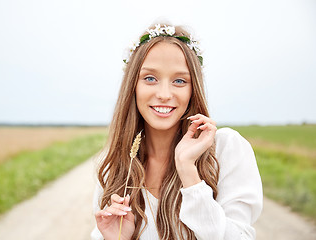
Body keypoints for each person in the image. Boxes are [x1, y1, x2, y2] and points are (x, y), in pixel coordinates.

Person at [91, 23, 263, 240]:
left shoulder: (226, 148)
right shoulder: (115, 167)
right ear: (132, 86)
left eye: (179, 81)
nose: (164, 94)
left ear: (193, 89)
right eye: (150, 78)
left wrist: (188, 171)